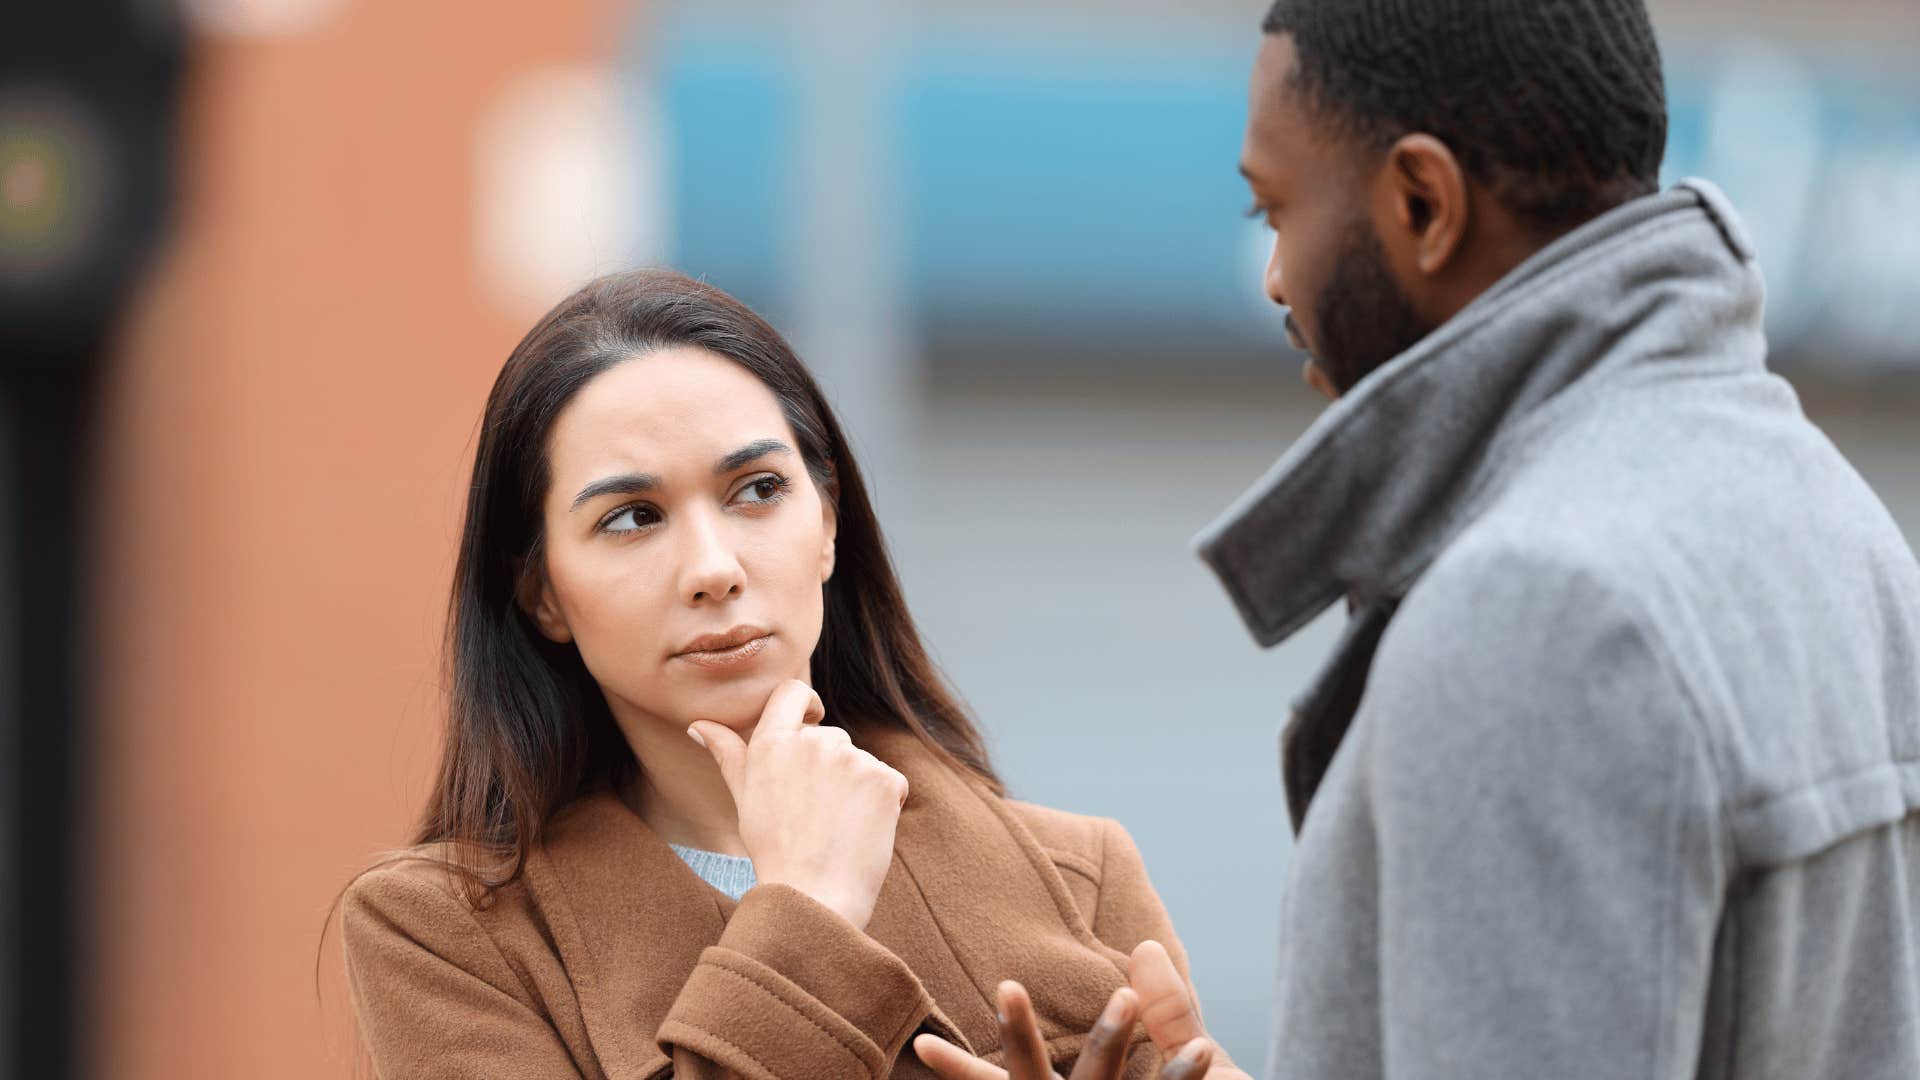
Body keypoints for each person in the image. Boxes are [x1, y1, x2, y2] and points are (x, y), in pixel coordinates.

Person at [917, 2, 1920, 1078]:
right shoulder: (1834, 514)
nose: (1273, 280)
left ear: (1422, 202)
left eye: (1276, 211)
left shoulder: (1538, 608)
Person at [337, 270, 1244, 1079]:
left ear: (829, 522)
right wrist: (805, 913)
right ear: (542, 594)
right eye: (631, 517)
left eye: (758, 491)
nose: (713, 567)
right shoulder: (445, 934)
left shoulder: (1076, 874)